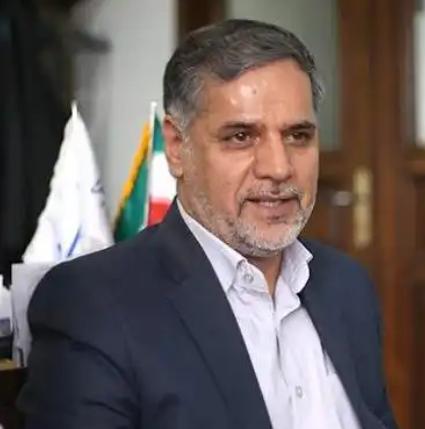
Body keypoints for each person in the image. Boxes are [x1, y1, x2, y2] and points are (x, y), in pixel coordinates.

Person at [18, 19, 398, 429]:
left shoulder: (347, 287)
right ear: (176, 147)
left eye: (298, 136)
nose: (279, 167)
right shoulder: (94, 306)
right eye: (241, 137)